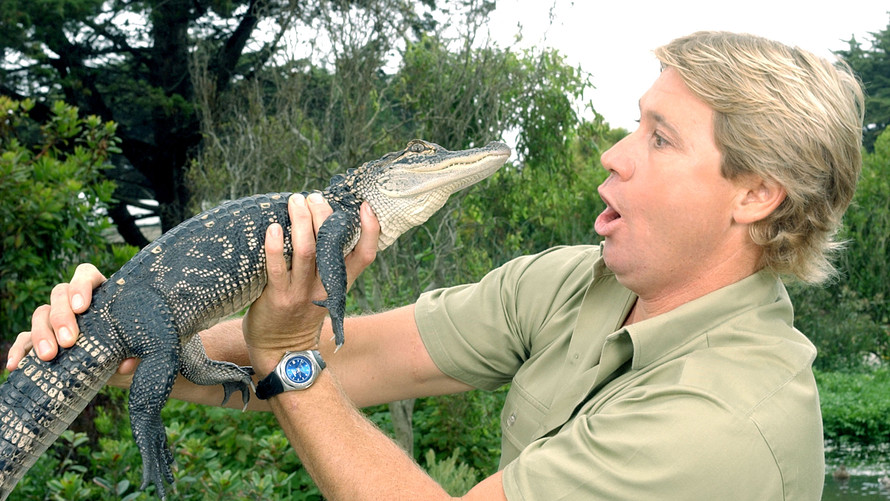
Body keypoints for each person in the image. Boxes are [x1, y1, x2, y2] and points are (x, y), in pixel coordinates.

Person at [8, 31, 865, 500]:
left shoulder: (719, 424)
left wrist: (289, 356)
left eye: (658, 137)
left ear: (755, 195)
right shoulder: (578, 282)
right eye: (633, 122)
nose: (612, 152)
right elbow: (366, 355)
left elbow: (302, 362)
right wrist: (100, 349)